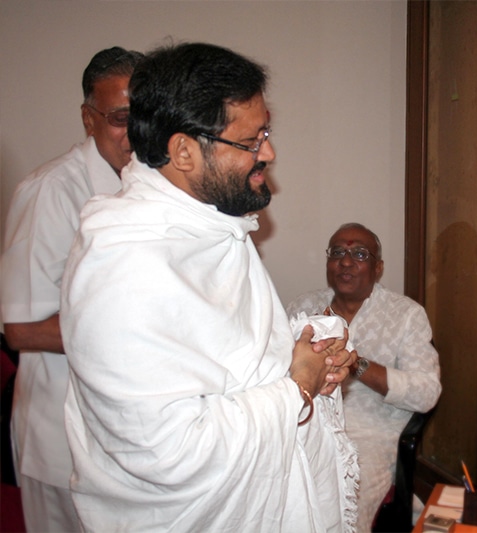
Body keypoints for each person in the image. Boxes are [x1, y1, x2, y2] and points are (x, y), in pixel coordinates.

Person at [59, 42, 358, 532]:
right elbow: (169, 453)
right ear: (183, 152)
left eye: (268, 131)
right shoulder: (121, 267)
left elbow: (225, 358)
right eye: (252, 139)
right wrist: (296, 388)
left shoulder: (209, 224)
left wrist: (306, 353)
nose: (270, 152)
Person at [0, 46, 142, 532]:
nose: (136, 131)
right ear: (89, 118)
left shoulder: (146, 190)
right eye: (122, 117)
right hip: (60, 442)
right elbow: (19, 330)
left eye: (145, 115)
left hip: (126, 441)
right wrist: (141, 334)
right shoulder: (51, 191)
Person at [286, 223, 441, 532]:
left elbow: (426, 393)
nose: (346, 261)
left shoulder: (406, 314)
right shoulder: (302, 308)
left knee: (341, 497)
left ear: (378, 267)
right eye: (338, 252)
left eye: (359, 253)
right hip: (304, 420)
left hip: (370, 432)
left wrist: (357, 365)